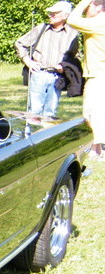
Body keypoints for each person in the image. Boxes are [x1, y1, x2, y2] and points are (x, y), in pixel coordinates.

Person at [15, 1, 79, 123]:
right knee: (33, 112)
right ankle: (30, 137)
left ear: (65, 16)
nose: (50, 16)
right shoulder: (41, 29)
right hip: (39, 74)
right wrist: (28, 61)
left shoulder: (73, 34)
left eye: (54, 14)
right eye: (50, 13)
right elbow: (19, 43)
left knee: (51, 113)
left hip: (58, 77)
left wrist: (64, 68)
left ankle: (45, 137)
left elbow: (75, 56)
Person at [67, 0, 105, 158]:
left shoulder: (98, 22)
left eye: (88, 8)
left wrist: (85, 1)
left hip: (99, 75)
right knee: (95, 112)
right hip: (98, 74)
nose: (85, 11)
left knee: (93, 112)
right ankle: (97, 148)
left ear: (98, 7)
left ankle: (98, 149)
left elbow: (71, 20)